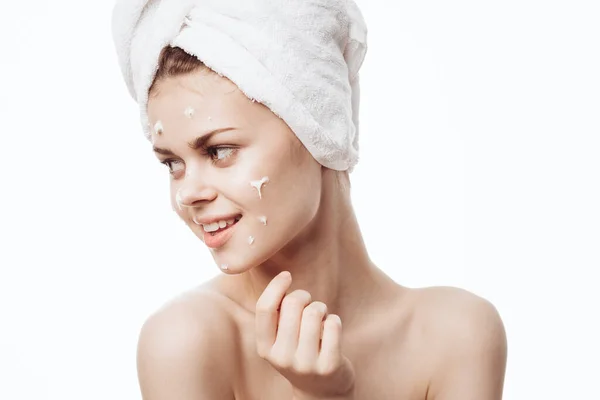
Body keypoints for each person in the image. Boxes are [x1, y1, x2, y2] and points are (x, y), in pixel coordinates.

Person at [111, 1, 507, 399]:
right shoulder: (185, 343)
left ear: (320, 128)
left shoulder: (456, 336)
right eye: (172, 164)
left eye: (219, 151)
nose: (188, 193)